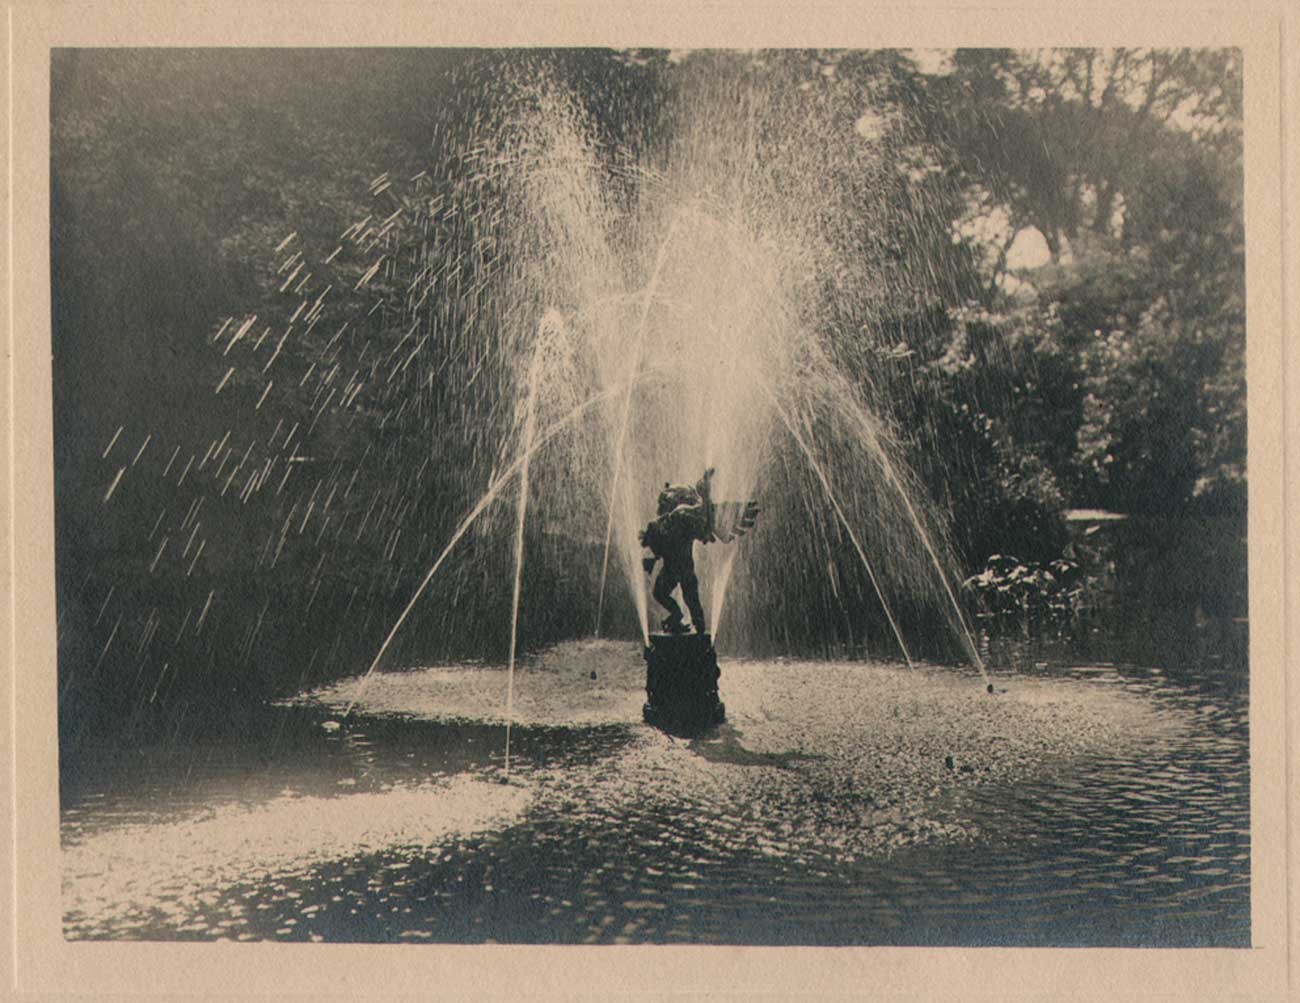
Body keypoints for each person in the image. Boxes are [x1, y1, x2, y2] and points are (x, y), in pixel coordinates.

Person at [639, 468, 718, 635]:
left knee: (691, 600)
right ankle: (677, 617)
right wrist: (649, 559)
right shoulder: (659, 524)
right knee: (660, 593)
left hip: (684, 569)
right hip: (673, 569)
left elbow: (704, 516)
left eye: (663, 503)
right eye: (660, 503)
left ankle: (699, 630)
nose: (660, 507)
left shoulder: (682, 516)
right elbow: (656, 547)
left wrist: (705, 490)